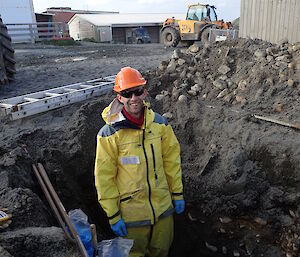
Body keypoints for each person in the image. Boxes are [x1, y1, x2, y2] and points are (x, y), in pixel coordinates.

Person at [94, 66, 184, 257]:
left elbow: (172, 162)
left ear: (145, 92)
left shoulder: (160, 125)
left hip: (163, 210)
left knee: (161, 252)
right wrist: (112, 214)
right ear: (119, 97)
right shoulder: (109, 134)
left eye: (137, 91)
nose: (133, 98)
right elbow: (104, 177)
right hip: (131, 215)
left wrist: (177, 193)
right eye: (127, 93)